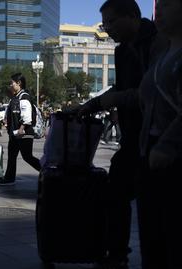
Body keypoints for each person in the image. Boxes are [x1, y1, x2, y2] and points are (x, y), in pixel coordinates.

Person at [74, 1, 167, 267]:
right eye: (104, 24)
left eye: (111, 22)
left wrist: (109, 100)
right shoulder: (122, 50)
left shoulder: (157, 43)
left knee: (153, 211)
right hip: (132, 139)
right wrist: (91, 105)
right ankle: (115, 255)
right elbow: (123, 86)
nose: (107, 29)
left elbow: (151, 92)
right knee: (115, 196)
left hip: (155, 138)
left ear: (133, 17)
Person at [137, 0, 182, 267]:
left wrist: (168, 144)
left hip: (173, 156)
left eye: (167, 4)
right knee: (152, 235)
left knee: (174, 234)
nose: (159, 10)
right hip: (150, 152)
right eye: (158, 5)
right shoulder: (161, 52)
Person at [0, 73, 40, 186]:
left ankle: (46, 172)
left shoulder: (24, 97)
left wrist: (22, 128)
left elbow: (27, 116)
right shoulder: (16, 97)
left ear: (19, 83)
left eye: (12, 83)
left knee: (27, 157)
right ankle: (9, 178)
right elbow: (12, 113)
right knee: (12, 156)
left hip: (24, 133)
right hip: (15, 133)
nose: (10, 85)